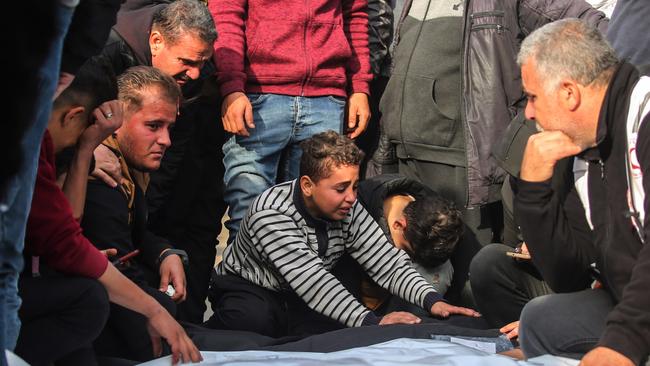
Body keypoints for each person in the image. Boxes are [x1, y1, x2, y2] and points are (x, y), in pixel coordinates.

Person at [375, 0, 609, 305]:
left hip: (462, 159)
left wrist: (532, 110)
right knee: (410, 280)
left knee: (469, 284)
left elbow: (595, 29)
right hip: (406, 153)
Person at [206, 131, 479, 338]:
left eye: (355, 186)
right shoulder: (272, 215)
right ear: (308, 185)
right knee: (254, 321)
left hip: (296, 296)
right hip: (252, 289)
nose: (351, 198)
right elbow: (313, 282)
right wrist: (372, 321)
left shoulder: (348, 207)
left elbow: (385, 261)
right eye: (340, 188)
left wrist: (431, 301)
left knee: (333, 337)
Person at [16, 60, 201, 365]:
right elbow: (65, 245)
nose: (166, 140)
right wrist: (152, 309)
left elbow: (64, 225)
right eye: (153, 126)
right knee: (89, 300)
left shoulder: (51, 147)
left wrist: (85, 148)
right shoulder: (32, 149)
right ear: (75, 116)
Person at [513, 19, 649, 365]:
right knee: (543, 320)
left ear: (569, 93)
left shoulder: (643, 118)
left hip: (638, 313)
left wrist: (622, 344)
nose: (528, 113)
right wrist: (533, 192)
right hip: (631, 301)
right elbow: (568, 276)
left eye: (532, 97)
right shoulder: (582, 148)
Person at [93, 0, 224, 323]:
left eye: (202, 62)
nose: (195, 73)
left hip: (169, 191)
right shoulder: (105, 52)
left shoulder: (194, 74)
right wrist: (86, 149)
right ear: (156, 41)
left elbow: (172, 148)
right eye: (187, 62)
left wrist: (155, 241)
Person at [209, 0, 373, 245]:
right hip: (258, 97)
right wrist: (231, 86)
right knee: (247, 219)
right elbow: (226, 12)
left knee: (315, 225)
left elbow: (355, 14)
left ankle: (301, 284)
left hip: (326, 98)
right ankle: (240, 284)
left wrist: (360, 86)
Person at [80, 65, 191, 362]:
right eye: (154, 126)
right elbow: (116, 266)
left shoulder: (130, 169)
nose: (166, 140)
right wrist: (158, 309)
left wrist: (165, 252)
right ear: (116, 122)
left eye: (169, 128)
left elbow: (136, 230)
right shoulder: (102, 177)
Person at [333, 174, 462, 314]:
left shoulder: (434, 210)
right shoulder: (350, 213)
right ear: (398, 225)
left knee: (441, 269)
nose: (408, 259)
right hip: (356, 299)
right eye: (409, 251)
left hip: (401, 288)